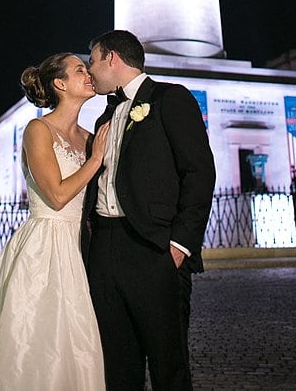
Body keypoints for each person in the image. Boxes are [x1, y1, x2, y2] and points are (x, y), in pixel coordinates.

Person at [0, 52, 110, 391]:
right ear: (60, 84)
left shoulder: (89, 136)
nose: (89, 73)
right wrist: (94, 161)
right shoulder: (37, 129)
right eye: (80, 70)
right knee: (36, 339)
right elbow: (57, 196)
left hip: (82, 246)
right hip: (45, 245)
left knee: (79, 340)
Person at [85, 30, 216, 391]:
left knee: (168, 365)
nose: (89, 69)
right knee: (117, 365)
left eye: (92, 60)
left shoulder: (170, 99)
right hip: (106, 249)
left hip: (154, 249)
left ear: (112, 58)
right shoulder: (103, 119)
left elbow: (199, 172)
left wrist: (179, 245)